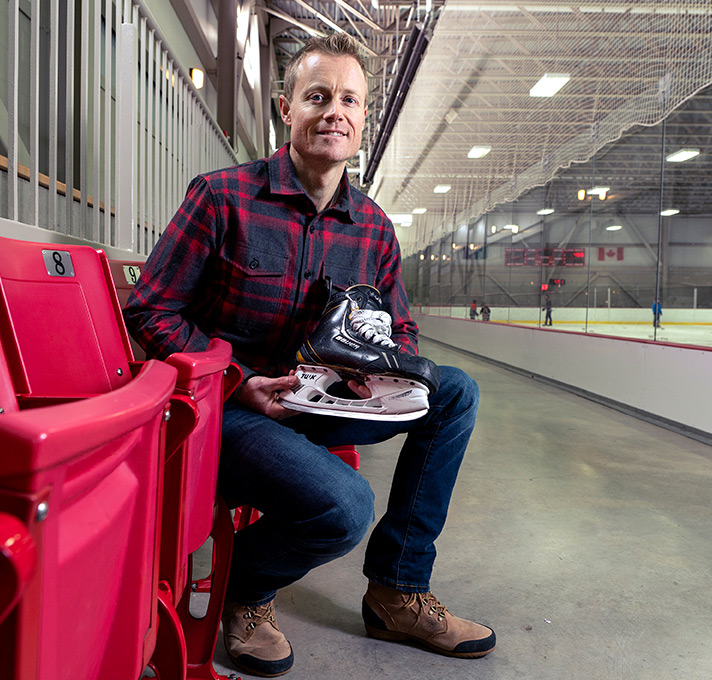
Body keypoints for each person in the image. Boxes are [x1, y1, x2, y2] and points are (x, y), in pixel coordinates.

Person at [124, 33, 494, 677]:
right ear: (285, 109)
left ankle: (397, 591)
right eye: (317, 96)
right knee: (345, 507)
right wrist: (238, 383)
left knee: (454, 391)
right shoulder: (222, 197)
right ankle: (249, 589)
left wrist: (374, 374)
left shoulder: (374, 228)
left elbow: (400, 333)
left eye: (349, 100)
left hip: (318, 399)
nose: (334, 111)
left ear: (362, 120)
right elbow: (149, 310)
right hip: (231, 411)